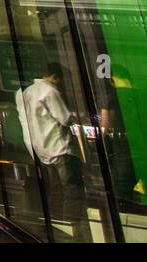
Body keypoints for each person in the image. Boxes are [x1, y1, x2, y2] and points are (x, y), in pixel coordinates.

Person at [15, 62, 91, 242]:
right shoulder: (50, 91)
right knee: (72, 188)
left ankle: (58, 225)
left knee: (56, 189)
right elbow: (64, 118)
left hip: (41, 150)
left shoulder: (24, 92)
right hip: (60, 147)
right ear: (54, 76)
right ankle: (74, 226)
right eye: (61, 80)